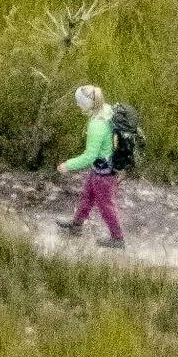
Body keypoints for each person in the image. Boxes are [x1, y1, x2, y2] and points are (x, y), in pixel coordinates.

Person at [55, 84, 123, 246]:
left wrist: (68, 165)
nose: (78, 105)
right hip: (103, 167)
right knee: (87, 195)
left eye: (79, 102)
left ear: (87, 103)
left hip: (104, 172)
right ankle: (76, 224)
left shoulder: (96, 125)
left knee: (105, 205)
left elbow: (89, 156)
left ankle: (118, 238)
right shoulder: (106, 109)